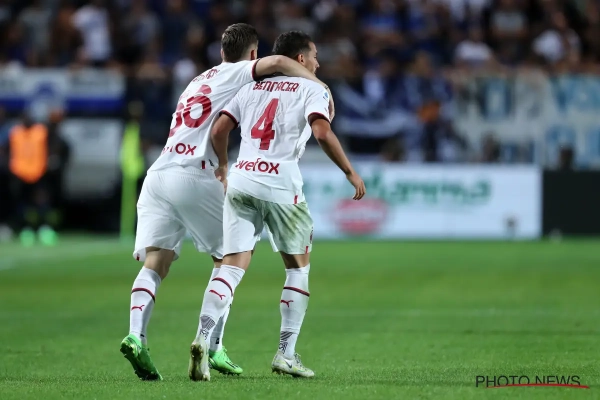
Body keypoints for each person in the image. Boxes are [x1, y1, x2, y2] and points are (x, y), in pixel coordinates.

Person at [120, 23, 334, 382]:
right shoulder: (239, 72)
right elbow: (279, 62)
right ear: (252, 54)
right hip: (195, 173)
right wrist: (320, 86)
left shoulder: (198, 80)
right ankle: (215, 346)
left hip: (159, 174)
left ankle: (135, 335)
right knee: (231, 260)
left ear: (221, 51)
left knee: (156, 262)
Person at [190, 31, 365, 381]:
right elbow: (322, 132)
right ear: (300, 59)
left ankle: (202, 338)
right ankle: (285, 353)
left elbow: (219, 129)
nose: (318, 63)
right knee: (298, 270)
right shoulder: (313, 88)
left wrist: (223, 165)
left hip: (241, 179)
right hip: (281, 184)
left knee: (230, 268)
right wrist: (350, 171)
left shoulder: (249, 87)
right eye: (314, 56)